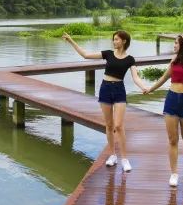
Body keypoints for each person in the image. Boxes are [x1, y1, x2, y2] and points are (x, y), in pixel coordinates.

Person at [61, 30, 148, 172]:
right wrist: (71, 41)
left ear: (124, 41)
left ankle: (125, 159)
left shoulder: (130, 59)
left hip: (119, 90)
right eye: (113, 39)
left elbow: (136, 77)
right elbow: (86, 55)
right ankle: (113, 155)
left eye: (117, 39)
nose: (114, 42)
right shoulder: (108, 53)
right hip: (105, 89)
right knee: (109, 125)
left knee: (119, 126)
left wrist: (144, 87)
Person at [144, 33, 183, 187]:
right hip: (171, 100)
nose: (174, 45)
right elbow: (163, 78)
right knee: (172, 139)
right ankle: (174, 173)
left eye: (176, 43)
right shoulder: (174, 61)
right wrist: (150, 89)